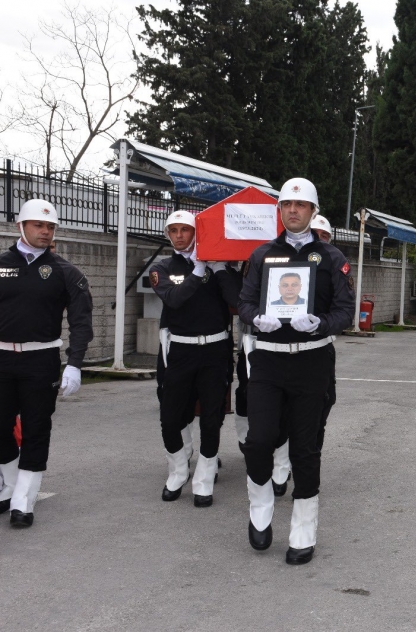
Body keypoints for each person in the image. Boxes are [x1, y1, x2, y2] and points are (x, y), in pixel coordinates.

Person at [239, 177, 354, 565]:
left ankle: (303, 529)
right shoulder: (261, 255)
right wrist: (257, 318)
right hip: (269, 358)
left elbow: (344, 311)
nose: (293, 210)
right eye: (287, 204)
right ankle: (260, 503)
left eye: (301, 205)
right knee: (259, 440)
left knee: (306, 448)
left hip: (312, 359)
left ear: (313, 211)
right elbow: (243, 303)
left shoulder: (333, 257)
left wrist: (320, 324)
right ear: (279, 210)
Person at [0, 199, 93, 527]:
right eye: (38, 225)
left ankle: (23, 501)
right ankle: (10, 485)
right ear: (20, 227)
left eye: (50, 226)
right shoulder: (1, 264)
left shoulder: (66, 272)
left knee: (37, 428)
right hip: (1, 358)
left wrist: (74, 364)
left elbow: (82, 322)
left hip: (41, 359)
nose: (45, 231)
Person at [150, 210, 239, 507]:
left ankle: (203, 476)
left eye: (184, 230)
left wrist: (221, 267)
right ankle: (178, 470)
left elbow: (237, 302)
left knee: (212, 418)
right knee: (170, 417)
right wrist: (198, 270)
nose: (178, 235)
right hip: (180, 351)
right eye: (172, 230)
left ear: (196, 232)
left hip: (214, 351)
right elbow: (174, 300)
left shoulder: (218, 265)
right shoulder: (162, 267)